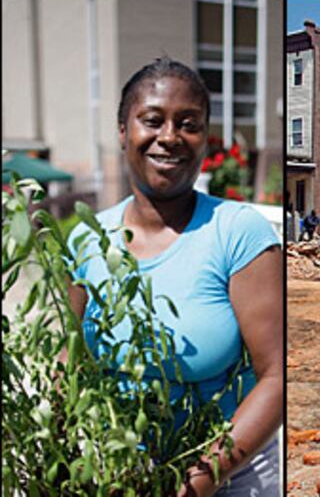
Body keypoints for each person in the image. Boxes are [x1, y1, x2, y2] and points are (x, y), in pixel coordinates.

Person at [65, 57, 282, 496]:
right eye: (152, 121)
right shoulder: (87, 238)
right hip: (122, 469)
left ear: (205, 139)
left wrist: (191, 486)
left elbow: (277, 376)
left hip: (231, 470)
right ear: (123, 131)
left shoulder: (238, 232)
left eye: (188, 124)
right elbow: (69, 364)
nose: (170, 137)